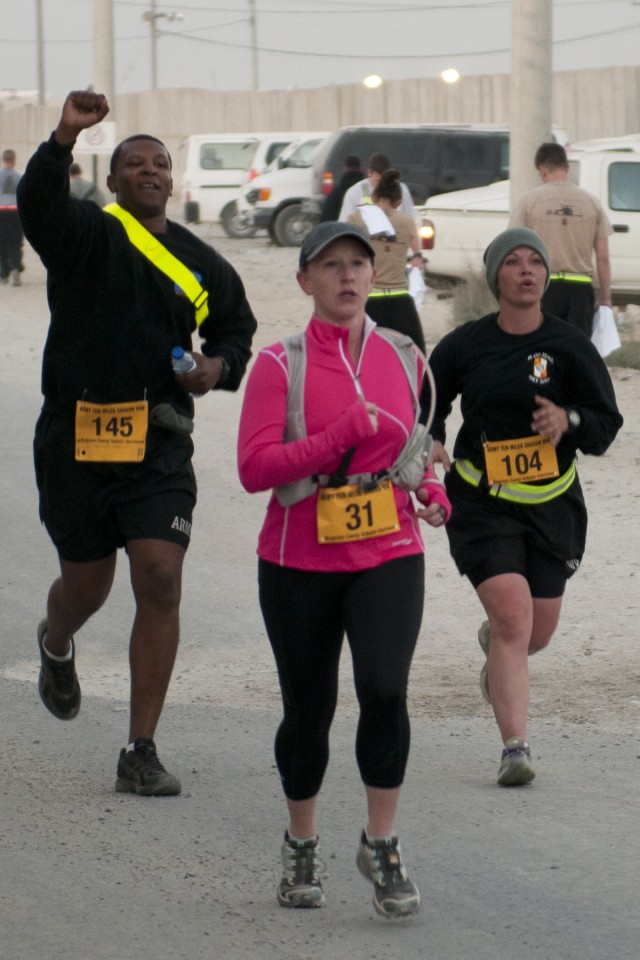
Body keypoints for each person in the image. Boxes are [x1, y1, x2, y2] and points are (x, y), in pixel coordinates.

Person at [17, 90, 257, 796]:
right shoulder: (86, 234)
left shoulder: (200, 264)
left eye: (160, 163)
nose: (150, 171)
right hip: (76, 438)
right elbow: (38, 205)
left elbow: (235, 333)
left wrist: (217, 368)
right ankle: (55, 642)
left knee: (160, 576)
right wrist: (64, 136)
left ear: (172, 182)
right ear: (114, 180)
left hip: (156, 444)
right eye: (134, 163)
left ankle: (139, 749)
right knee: (86, 589)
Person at [237, 220, 451, 917]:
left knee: (385, 690)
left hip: (389, 551)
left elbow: (418, 449)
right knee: (310, 709)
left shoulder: (406, 355)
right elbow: (254, 469)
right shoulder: (279, 363)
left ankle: (381, 842)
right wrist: (335, 438)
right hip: (298, 556)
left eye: (359, 263)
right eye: (331, 265)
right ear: (305, 280)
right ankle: (302, 841)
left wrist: (432, 491)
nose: (348, 275)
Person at [424, 227, 622, 787]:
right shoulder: (466, 344)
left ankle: (498, 649)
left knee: (535, 632)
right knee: (513, 616)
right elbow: (428, 403)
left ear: (546, 276)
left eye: (535, 261)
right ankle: (515, 748)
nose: (527, 270)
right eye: (513, 262)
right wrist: (432, 437)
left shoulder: (569, 345)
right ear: (495, 278)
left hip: (553, 504)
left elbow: (606, 424)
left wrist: (571, 421)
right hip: (482, 502)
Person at [509, 142, 613, 337]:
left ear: (542, 170)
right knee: (577, 351)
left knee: (542, 348)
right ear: (566, 167)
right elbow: (603, 257)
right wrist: (606, 297)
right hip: (581, 290)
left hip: (542, 287)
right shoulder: (592, 203)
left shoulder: (527, 202)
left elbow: (514, 249)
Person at [347, 167, 426, 353]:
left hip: (368, 299)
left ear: (374, 198)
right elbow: (417, 254)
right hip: (400, 300)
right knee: (415, 353)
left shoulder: (357, 219)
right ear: (398, 201)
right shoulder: (406, 222)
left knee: (361, 354)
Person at [339, 152, 416, 221]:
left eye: (387, 180)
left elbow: (411, 218)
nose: (383, 185)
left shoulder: (402, 189)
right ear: (369, 173)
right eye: (379, 180)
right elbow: (344, 223)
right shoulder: (355, 192)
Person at [0, 148, 24, 286]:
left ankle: (3, 274)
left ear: (3, 160)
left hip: (1, 212)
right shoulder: (19, 176)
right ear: (14, 160)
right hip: (15, 212)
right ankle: (15, 268)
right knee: (15, 243)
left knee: (1, 243)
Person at [319, 154, 364, 222]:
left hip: (341, 229)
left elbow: (326, 218)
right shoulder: (367, 189)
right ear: (360, 168)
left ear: (345, 169)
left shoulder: (335, 193)